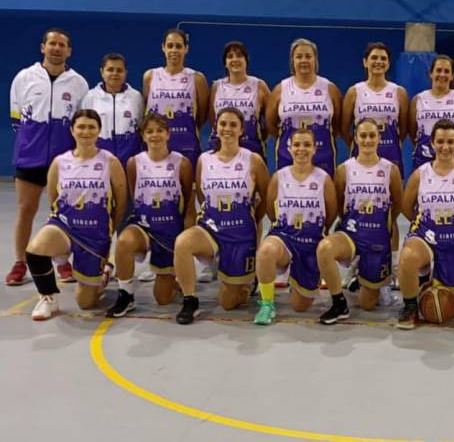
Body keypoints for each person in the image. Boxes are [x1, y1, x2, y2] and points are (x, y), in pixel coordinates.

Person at [25, 109, 127, 320]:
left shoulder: (110, 162)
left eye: (91, 127)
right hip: (65, 226)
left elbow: (121, 202)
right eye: (81, 127)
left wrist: (109, 231)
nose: (86, 131)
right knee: (35, 251)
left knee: (86, 303)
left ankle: (104, 274)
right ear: (72, 130)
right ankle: (47, 298)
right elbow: (54, 199)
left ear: (99, 131)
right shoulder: (60, 162)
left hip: (95, 236)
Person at [6, 28, 89, 286]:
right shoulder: (24, 78)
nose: (56, 48)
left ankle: (62, 261)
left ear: (69, 51)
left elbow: (81, 123)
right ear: (43, 47)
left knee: (63, 213)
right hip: (29, 157)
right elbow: (17, 119)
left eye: (62, 45)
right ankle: (20, 262)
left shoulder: (79, 83)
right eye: (52, 43)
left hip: (64, 161)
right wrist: (33, 143)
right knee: (25, 210)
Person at [173, 108, 269, 325]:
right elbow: (202, 196)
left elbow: (266, 196)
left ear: (242, 130)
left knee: (227, 302)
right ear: (216, 127)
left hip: (240, 234)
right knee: (182, 243)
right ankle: (190, 300)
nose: (227, 129)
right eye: (223, 124)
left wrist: (253, 220)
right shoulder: (204, 159)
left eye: (233, 125)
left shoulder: (253, 160)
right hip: (212, 227)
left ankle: (248, 281)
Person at [105, 114, 194, 317]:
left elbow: (188, 202)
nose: (155, 135)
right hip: (144, 226)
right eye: (149, 131)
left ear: (168, 134)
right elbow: (135, 196)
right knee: (124, 241)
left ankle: (176, 277)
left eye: (160, 131)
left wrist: (185, 239)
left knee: (163, 299)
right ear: (143, 136)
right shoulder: (134, 163)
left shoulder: (182, 163)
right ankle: (126, 295)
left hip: (170, 232)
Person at [396, 119, 454, 330]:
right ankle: (410, 306)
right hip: (426, 234)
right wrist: (423, 224)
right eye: (440, 141)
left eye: (450, 141)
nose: (445, 147)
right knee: (407, 258)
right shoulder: (421, 173)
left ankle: (429, 277)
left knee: (444, 306)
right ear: (432, 143)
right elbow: (406, 207)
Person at [317, 118, 403, 324]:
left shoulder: (390, 170)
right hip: (352, 234)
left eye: (372, 135)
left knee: (368, 304)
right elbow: (339, 204)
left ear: (379, 138)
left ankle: (363, 275)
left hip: (377, 239)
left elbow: (397, 206)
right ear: (355, 138)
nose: (367, 140)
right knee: (324, 248)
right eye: (363, 136)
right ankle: (339, 303)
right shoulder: (344, 170)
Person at [254, 128, 338, 325]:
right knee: (266, 250)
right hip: (285, 236)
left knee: (300, 307)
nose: (301, 149)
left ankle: (298, 279)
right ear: (289, 148)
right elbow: (271, 210)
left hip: (310, 242)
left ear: (315, 149)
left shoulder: (323, 179)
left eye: (307, 145)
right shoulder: (279, 177)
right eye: (297, 145)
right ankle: (267, 304)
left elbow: (331, 212)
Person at [341, 42, 408, 278]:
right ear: (365, 62)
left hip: (390, 157)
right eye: (374, 58)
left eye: (383, 58)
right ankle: (357, 262)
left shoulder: (398, 92)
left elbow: (404, 128)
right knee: (355, 210)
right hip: (361, 157)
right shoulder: (354, 92)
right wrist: (364, 147)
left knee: (390, 213)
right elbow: (344, 127)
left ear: (388, 64)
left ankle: (392, 266)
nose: (378, 62)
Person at [266, 38, 342, 177]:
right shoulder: (280, 89)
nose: (304, 60)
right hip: (288, 158)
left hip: (323, 158)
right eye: (299, 57)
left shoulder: (330, 89)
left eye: (308, 56)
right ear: (292, 61)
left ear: (315, 60)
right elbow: (271, 125)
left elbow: (337, 125)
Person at [143, 28, 209, 169]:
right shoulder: (150, 76)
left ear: (186, 49)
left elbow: (202, 116)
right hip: (156, 147)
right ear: (163, 47)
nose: (174, 50)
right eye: (170, 46)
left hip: (187, 146)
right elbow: (147, 111)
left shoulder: (197, 78)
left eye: (178, 46)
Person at [408, 54, 454, 169]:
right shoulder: (418, 100)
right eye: (438, 70)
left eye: (446, 71)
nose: (442, 74)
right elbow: (412, 132)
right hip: (424, 158)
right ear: (431, 73)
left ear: (452, 76)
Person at [81, 53, 144, 169]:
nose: (115, 73)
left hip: (129, 162)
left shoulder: (136, 97)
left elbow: (141, 126)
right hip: (98, 162)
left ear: (125, 73)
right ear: (102, 72)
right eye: (110, 70)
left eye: (119, 70)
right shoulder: (90, 97)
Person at [208, 40, 269, 157]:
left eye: (239, 55)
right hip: (220, 149)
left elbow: (270, 121)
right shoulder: (217, 86)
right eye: (230, 56)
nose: (235, 59)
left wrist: (258, 137)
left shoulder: (259, 85)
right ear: (225, 63)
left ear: (246, 60)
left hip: (251, 149)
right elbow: (212, 119)